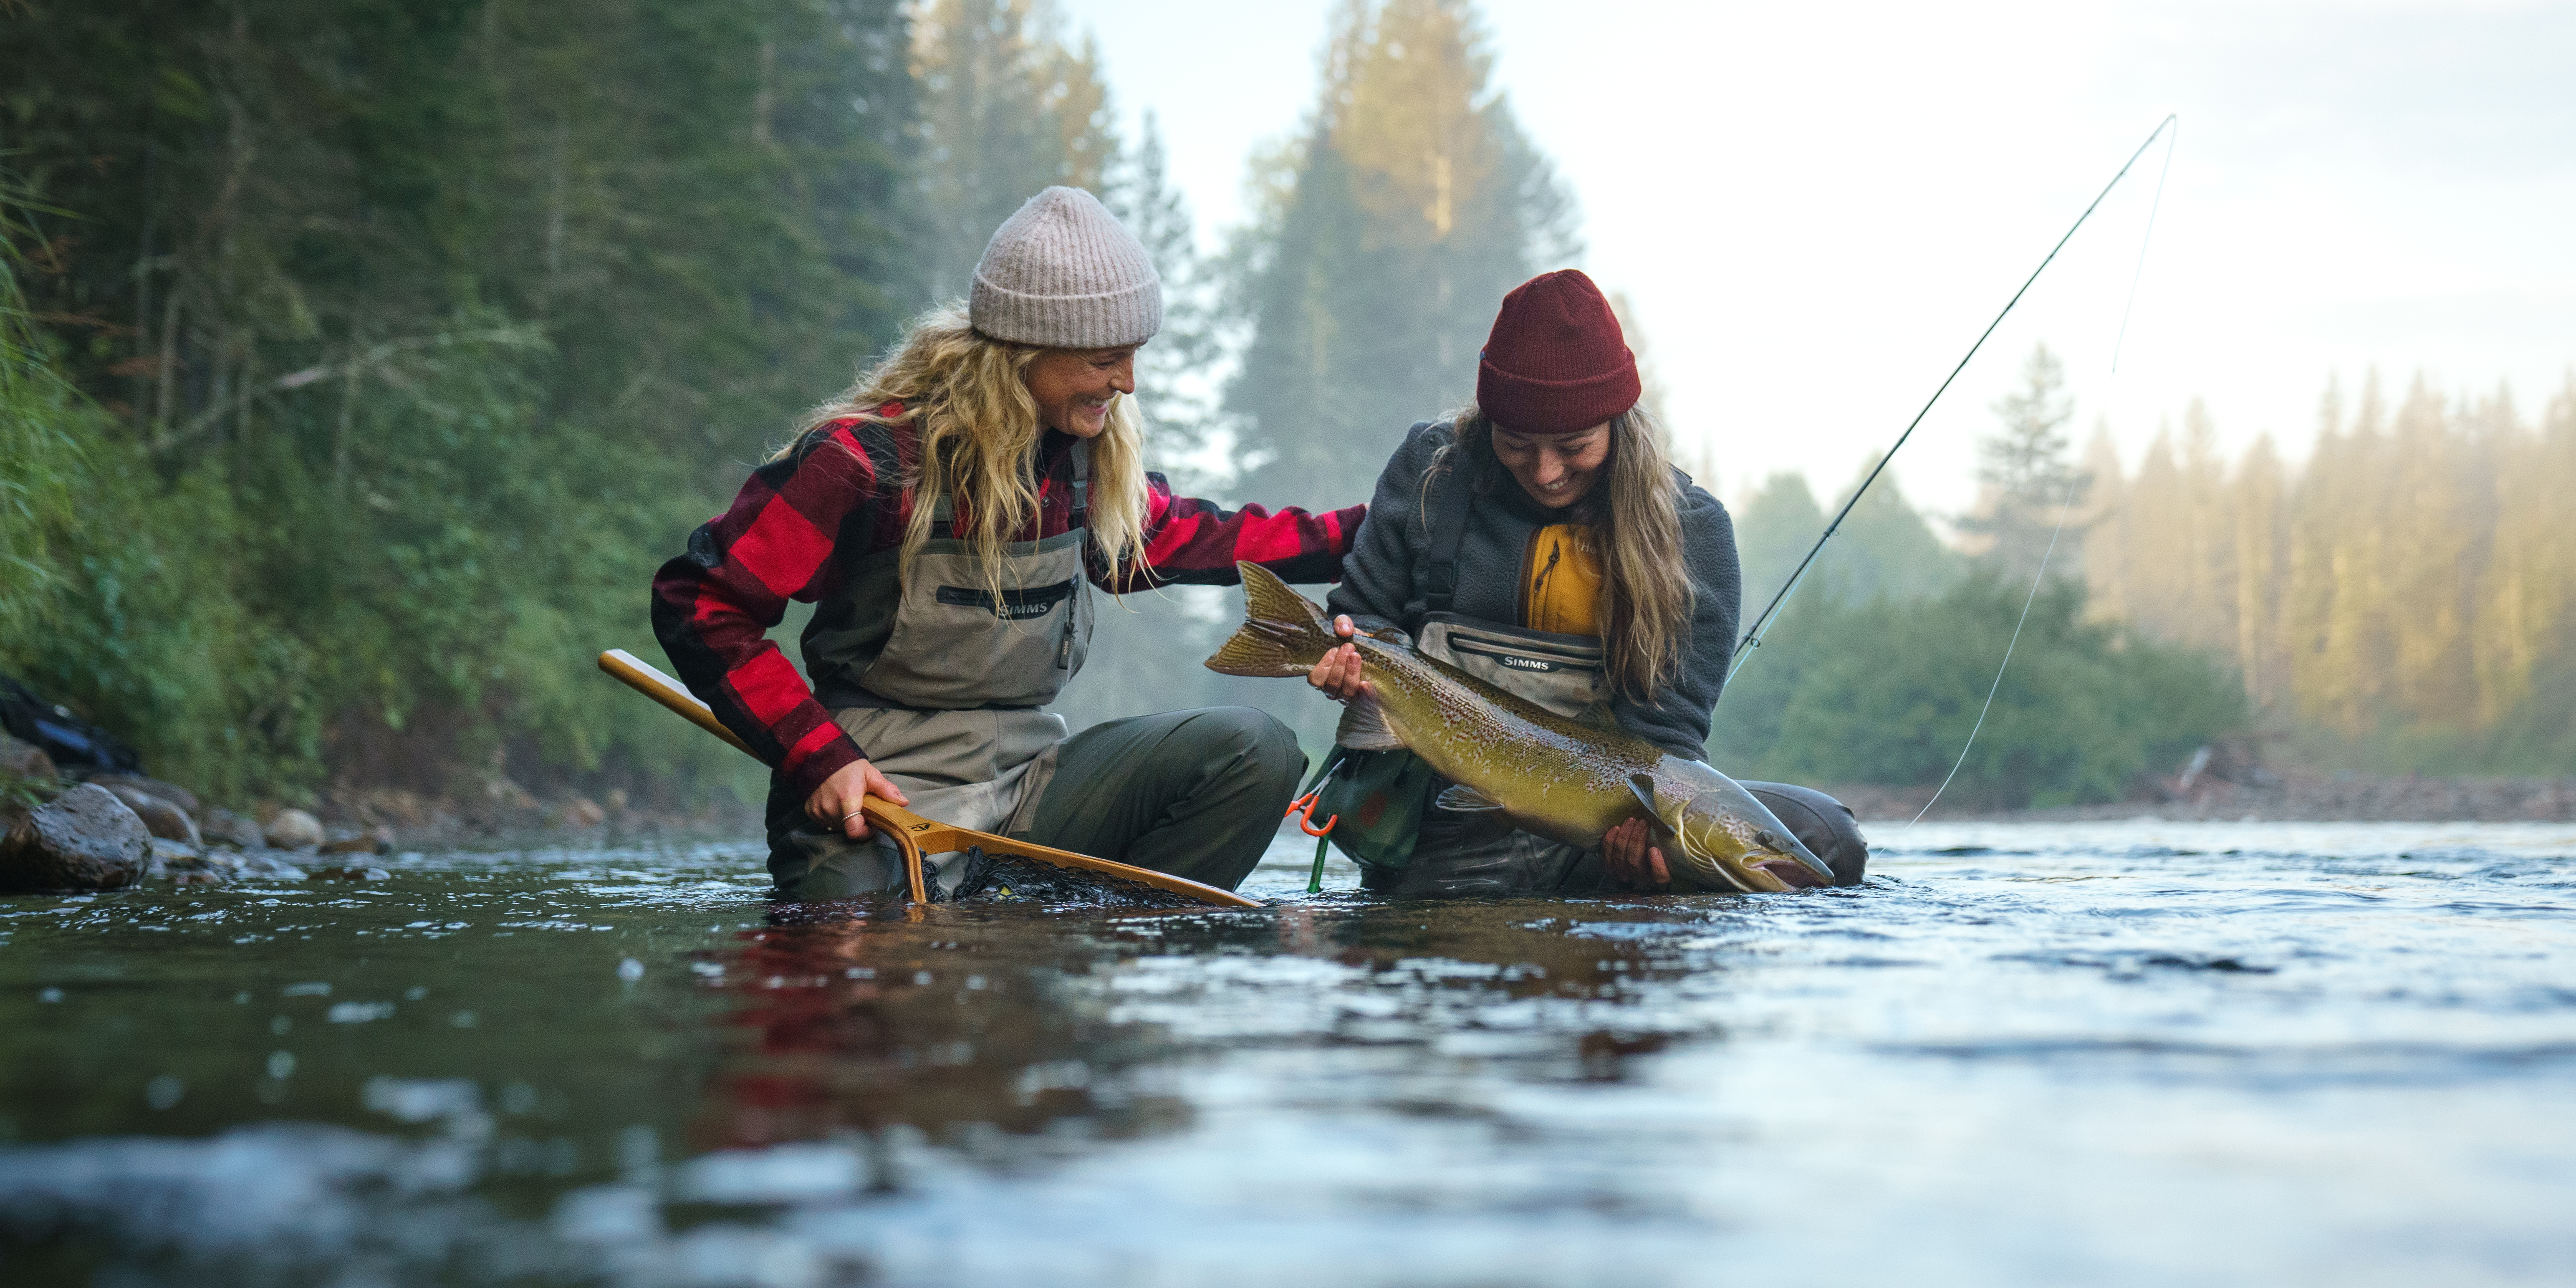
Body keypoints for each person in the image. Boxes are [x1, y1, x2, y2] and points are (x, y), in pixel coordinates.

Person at [654, 186, 1364, 900]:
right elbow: (702, 606)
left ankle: (1104, 944)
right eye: (1105, 361)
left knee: (1257, 749)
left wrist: (1370, 533)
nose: (1128, 382)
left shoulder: (1083, 466)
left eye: (1133, 356)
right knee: (856, 965)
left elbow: (1197, 537)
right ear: (1024, 353)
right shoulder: (860, 462)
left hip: (1034, 786)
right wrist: (816, 754)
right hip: (876, 797)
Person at [1303, 268, 1867, 895]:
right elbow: (1363, 619)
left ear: (1618, 424)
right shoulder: (1432, 470)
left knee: (1828, 842)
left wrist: (1647, 848)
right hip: (1433, 829)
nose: (1545, 473)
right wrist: (1347, 661)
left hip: (1594, 840)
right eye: (1517, 444)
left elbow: (1666, 739)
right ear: (1488, 424)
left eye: (1573, 445)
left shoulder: (1694, 531)